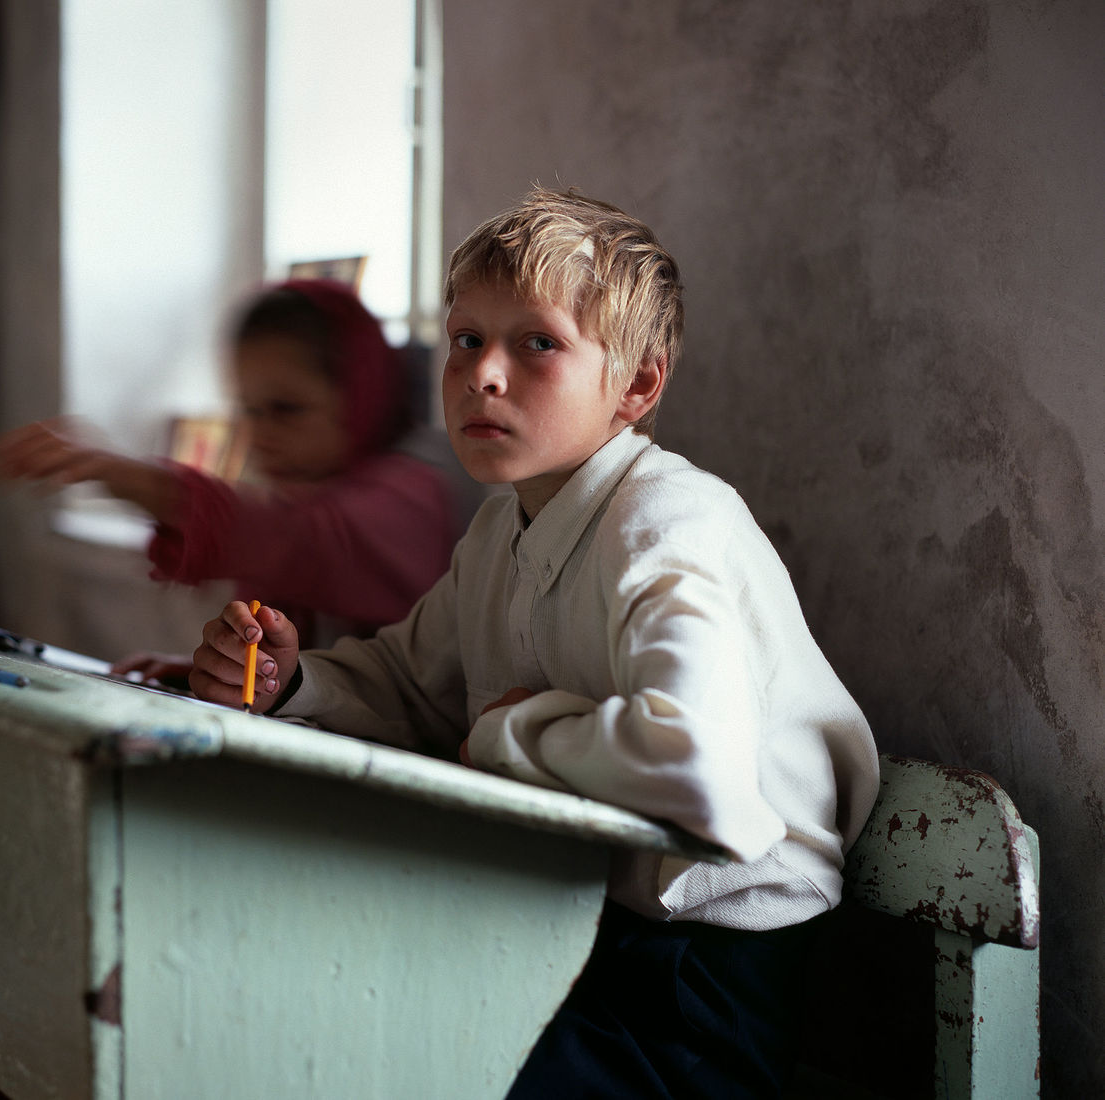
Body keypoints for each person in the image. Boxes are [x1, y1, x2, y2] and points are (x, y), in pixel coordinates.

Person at [189, 188, 881, 1097]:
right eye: (468, 338)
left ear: (636, 386)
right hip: (583, 932)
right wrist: (287, 682)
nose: (483, 373)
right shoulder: (499, 535)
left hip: (705, 982)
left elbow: (697, 767)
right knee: (311, 1014)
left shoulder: (670, 523)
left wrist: (512, 736)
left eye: (538, 343)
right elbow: (410, 680)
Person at [0, 279, 480, 678]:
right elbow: (319, 673)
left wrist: (120, 472)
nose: (260, 436)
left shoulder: (416, 493)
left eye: (286, 409)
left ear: (361, 393)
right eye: (248, 411)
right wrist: (224, 677)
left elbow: (298, 540)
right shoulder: (318, 485)